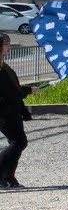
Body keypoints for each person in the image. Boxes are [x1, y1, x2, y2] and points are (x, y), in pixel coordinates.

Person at [0, 33, 38, 188]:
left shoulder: (5, 66)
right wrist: (28, 90)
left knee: (18, 142)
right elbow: (9, 92)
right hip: (3, 112)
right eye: (7, 43)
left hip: (12, 110)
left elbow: (14, 89)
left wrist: (23, 110)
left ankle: (9, 177)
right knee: (18, 142)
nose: (10, 46)